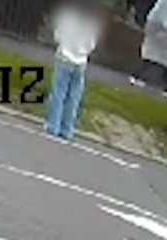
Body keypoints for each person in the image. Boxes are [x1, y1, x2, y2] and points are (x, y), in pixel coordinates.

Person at [46, 0, 104, 140]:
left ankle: (53, 125)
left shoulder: (68, 17)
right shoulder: (92, 22)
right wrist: (82, 52)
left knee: (59, 92)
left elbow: (58, 35)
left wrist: (63, 44)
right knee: (74, 97)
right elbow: (91, 44)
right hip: (81, 61)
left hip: (64, 56)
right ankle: (67, 129)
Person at [129, 0, 167, 99]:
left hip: (163, 32)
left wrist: (163, 28)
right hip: (161, 31)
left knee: (163, 59)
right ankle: (142, 77)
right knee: (158, 57)